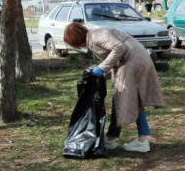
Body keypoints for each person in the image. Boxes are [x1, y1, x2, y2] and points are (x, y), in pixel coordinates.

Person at [63, 22, 165, 152]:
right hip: (136, 60)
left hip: (133, 61)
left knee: (127, 99)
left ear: (76, 40)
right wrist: (97, 74)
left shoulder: (96, 35)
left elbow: (119, 48)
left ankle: (140, 140)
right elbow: (114, 60)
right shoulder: (93, 38)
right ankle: (113, 137)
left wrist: (101, 68)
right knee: (126, 99)